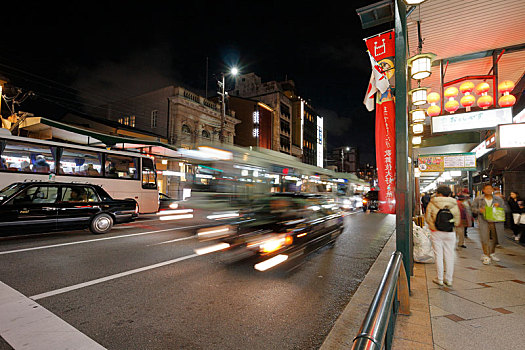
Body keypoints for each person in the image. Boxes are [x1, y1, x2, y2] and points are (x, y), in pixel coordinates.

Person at [425, 185, 460, 287]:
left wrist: (433, 227)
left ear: (438, 193)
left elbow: (427, 218)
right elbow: (457, 220)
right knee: (449, 255)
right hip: (450, 232)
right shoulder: (454, 203)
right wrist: (452, 226)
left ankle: (439, 278)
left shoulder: (433, 203)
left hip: (436, 232)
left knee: (438, 255)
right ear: (449, 193)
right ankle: (449, 279)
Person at [472, 184, 507, 265]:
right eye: (487, 189)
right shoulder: (479, 199)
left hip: (495, 221)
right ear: (483, 190)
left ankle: (492, 253)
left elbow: (506, 208)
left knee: (495, 238)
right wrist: (479, 210)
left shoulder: (498, 199)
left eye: (490, 189)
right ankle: (486, 255)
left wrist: (499, 206)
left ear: (493, 190)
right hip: (484, 221)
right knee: (485, 238)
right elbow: (473, 209)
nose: (488, 190)